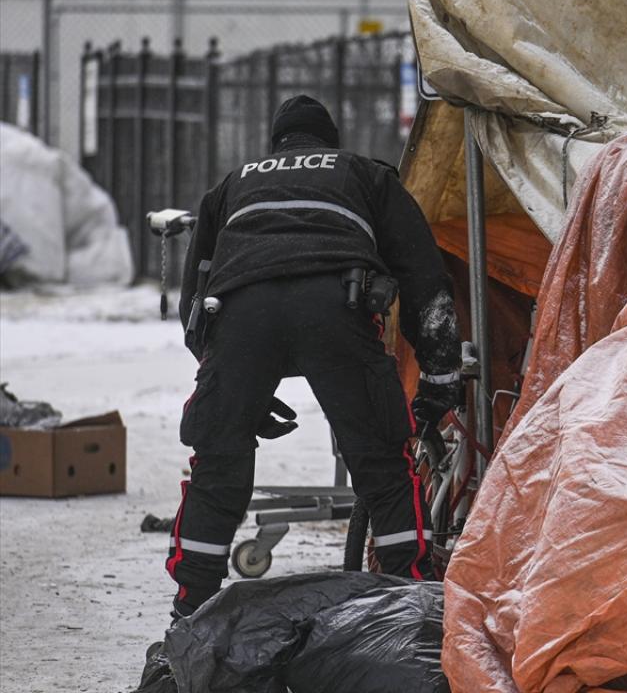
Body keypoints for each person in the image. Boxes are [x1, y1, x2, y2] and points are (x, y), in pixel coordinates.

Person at [167, 95, 461, 618]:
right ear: (330, 142)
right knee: (382, 465)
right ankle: (409, 608)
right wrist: (440, 380)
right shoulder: (365, 174)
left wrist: (236, 388)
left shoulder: (233, 184)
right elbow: (424, 279)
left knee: (218, 463)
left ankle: (190, 611)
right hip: (336, 307)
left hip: (240, 315)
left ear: (275, 145)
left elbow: (194, 302)